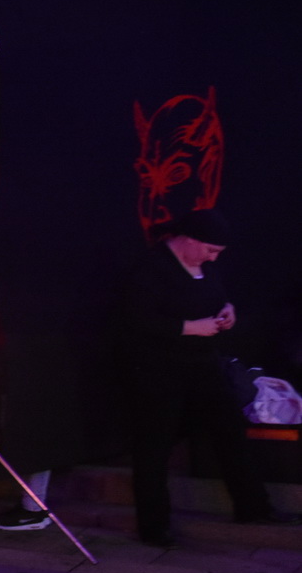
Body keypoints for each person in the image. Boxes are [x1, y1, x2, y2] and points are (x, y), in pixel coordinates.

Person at [119, 207, 295, 546]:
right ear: (189, 240)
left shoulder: (205, 267)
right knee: (155, 445)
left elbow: (214, 295)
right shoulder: (151, 268)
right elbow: (136, 320)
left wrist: (227, 311)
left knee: (230, 430)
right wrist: (188, 327)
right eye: (210, 250)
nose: (213, 258)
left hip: (201, 363)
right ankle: (154, 526)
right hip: (159, 369)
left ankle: (253, 506)